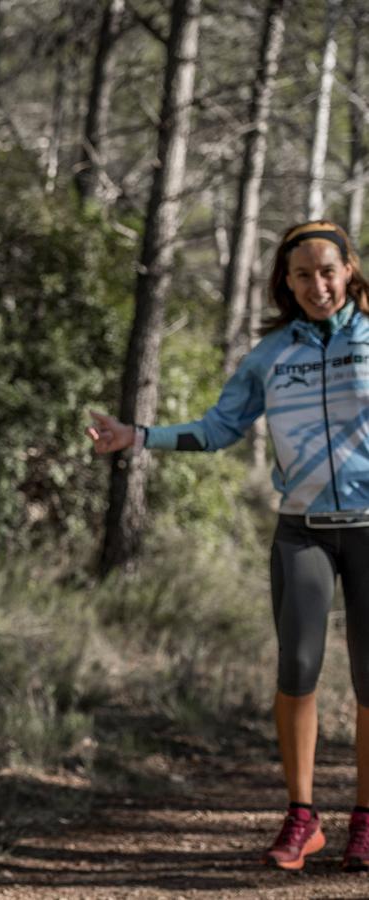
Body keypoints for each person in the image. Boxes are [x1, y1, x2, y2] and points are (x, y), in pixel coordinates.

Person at [88, 220, 369, 873]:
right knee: (297, 671)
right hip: (302, 530)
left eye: (327, 271)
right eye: (302, 275)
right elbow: (219, 430)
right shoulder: (270, 357)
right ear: (285, 283)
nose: (317, 285)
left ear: (349, 270)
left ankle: (365, 819)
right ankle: (303, 816)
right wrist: (138, 437)